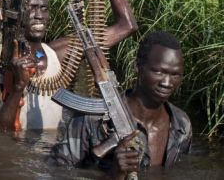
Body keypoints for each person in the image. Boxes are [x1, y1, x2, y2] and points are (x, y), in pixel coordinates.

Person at [0, 0, 138, 131]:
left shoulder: (59, 53)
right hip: (16, 151)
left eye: (44, 8)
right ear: (14, 13)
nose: (39, 15)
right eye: (32, 8)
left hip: (51, 152)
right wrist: (18, 87)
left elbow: (126, 26)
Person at [50, 31, 192, 179]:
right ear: (138, 67)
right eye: (158, 72)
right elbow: (56, 173)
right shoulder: (91, 120)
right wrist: (113, 175)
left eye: (175, 75)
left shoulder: (181, 125)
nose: (167, 83)